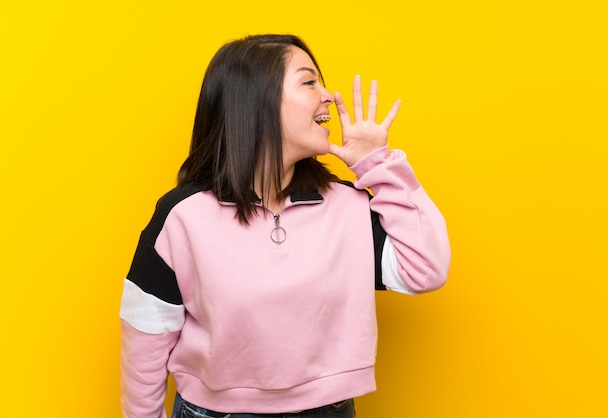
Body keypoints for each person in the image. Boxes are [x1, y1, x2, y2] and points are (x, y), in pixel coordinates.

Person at [120, 34, 450, 418]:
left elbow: (425, 269)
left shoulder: (349, 207)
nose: (328, 95)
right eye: (309, 82)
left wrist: (377, 166)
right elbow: (145, 335)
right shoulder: (182, 215)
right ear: (256, 101)